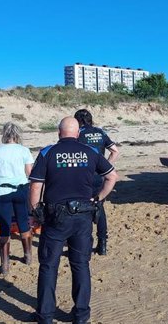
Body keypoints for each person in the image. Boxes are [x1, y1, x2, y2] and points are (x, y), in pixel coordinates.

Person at [29, 116, 118, 324]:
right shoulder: (91, 152)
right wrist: (97, 199)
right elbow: (112, 176)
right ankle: (80, 316)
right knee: (80, 265)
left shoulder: (47, 152)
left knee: (49, 266)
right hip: (83, 217)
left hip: (56, 218)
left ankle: (45, 316)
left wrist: (34, 213)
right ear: (78, 134)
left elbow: (35, 186)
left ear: (59, 133)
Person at [0, 122, 35, 276]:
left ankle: (5, 264)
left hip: (2, 191)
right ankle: (28, 256)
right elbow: (30, 173)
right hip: (20, 190)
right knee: (23, 221)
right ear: (17, 134)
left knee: (4, 225)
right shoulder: (24, 150)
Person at [74, 109, 120, 256]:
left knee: (83, 209)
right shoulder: (100, 132)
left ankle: (86, 243)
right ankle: (102, 245)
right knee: (99, 207)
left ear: (78, 121)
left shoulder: (78, 134)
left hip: (83, 175)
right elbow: (115, 151)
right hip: (98, 176)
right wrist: (105, 166)